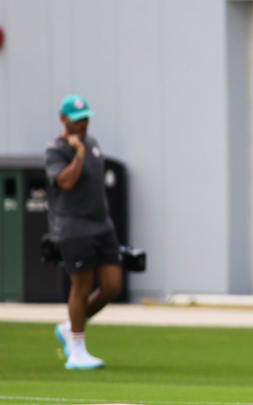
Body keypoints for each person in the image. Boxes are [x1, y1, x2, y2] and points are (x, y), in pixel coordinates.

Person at [45, 94, 123, 370]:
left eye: (86, 119)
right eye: (77, 120)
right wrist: (77, 152)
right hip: (73, 227)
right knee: (81, 285)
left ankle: (70, 327)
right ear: (63, 120)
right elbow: (66, 182)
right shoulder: (56, 150)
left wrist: (85, 148)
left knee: (113, 285)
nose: (83, 125)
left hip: (102, 226)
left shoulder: (94, 144)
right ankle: (76, 350)